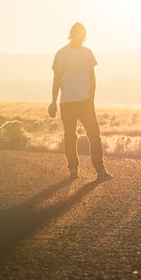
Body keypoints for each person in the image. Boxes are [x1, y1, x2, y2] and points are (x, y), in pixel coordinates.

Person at [48, 22, 111, 179]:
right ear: (72, 34)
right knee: (70, 136)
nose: (80, 37)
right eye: (77, 33)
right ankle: (73, 169)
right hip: (67, 102)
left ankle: (100, 170)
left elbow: (92, 78)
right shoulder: (61, 54)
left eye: (82, 34)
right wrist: (53, 102)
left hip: (85, 102)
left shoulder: (87, 53)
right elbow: (56, 80)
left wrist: (91, 98)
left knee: (94, 135)